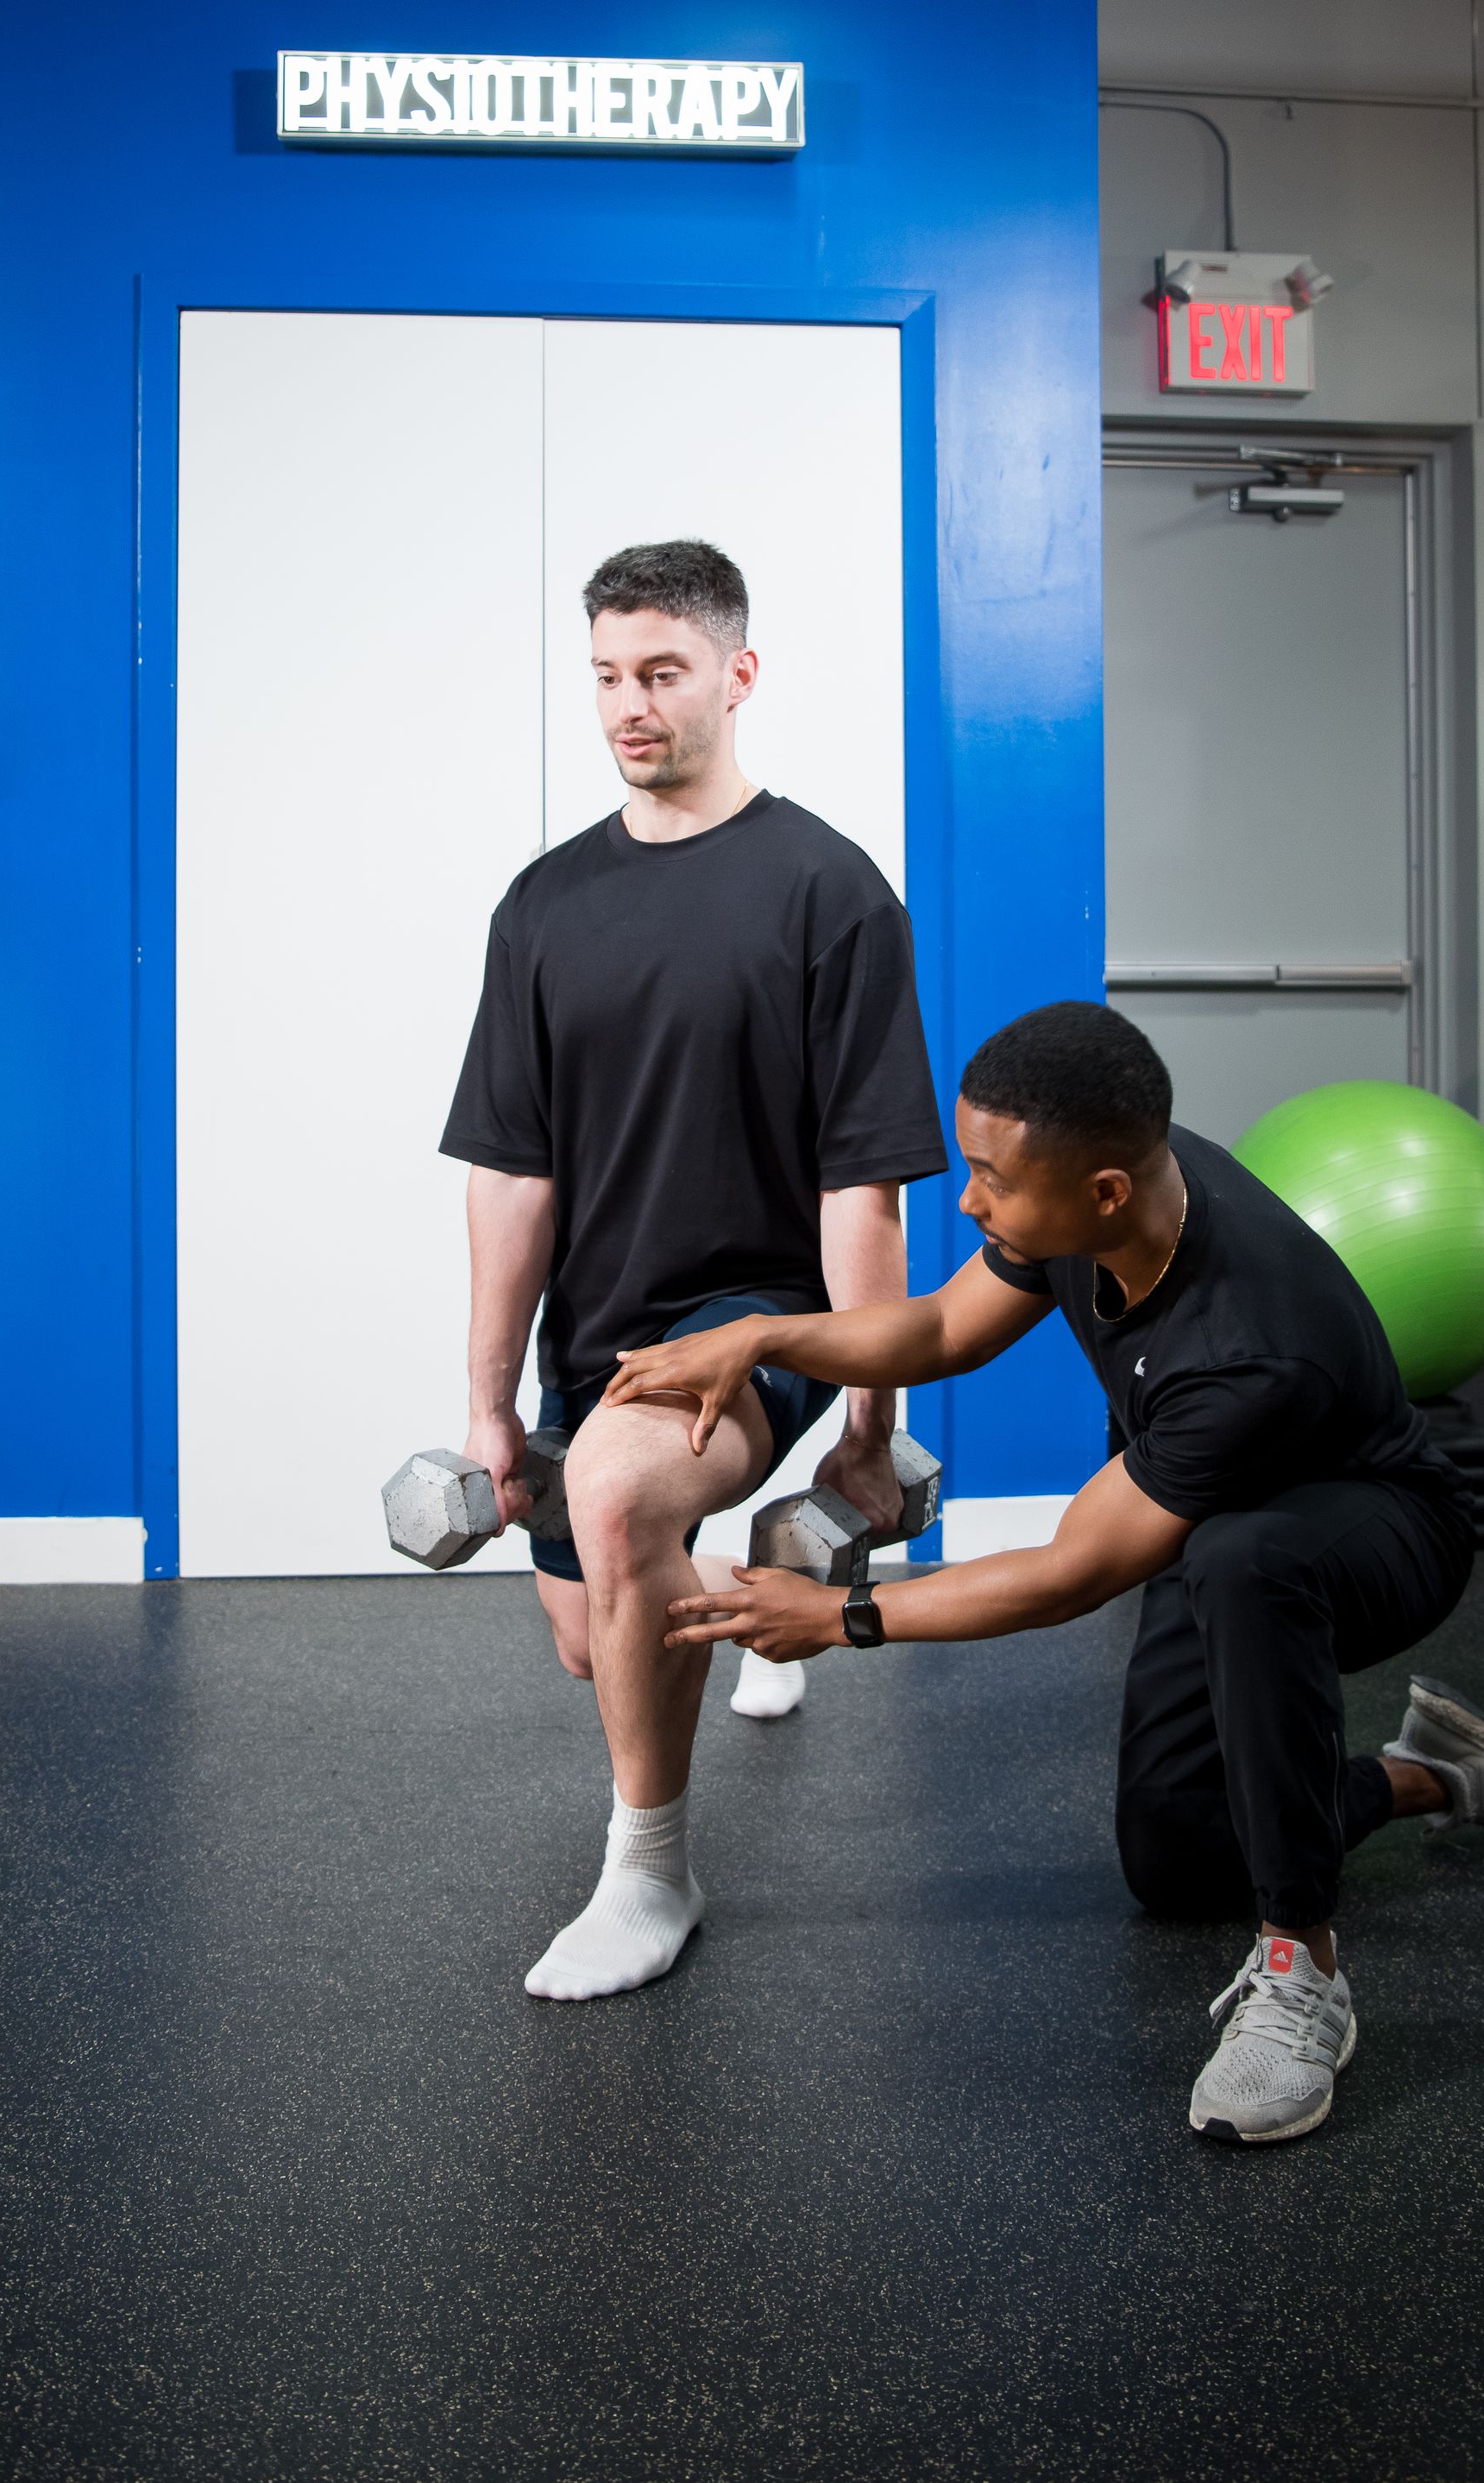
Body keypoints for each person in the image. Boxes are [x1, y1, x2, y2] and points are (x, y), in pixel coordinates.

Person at [605, 1000, 1484, 2142]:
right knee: (1175, 1854)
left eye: (987, 1176)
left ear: (1105, 1190)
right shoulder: (1088, 1201)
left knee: (1241, 1559)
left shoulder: (1246, 1342)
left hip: (1384, 1529)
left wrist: (840, 1616)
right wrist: (765, 1338)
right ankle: (1431, 1773)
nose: (969, 1199)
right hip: (1217, 1513)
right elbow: (937, 1332)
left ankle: (1304, 1967)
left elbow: (1073, 1570)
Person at [439, 539, 946, 2001]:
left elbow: (864, 1183)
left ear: (739, 671)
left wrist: (861, 1422)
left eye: (660, 672)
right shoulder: (542, 907)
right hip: (599, 1348)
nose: (628, 706)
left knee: (613, 1500)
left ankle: (651, 1872)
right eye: (606, 675)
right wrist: (488, 1407)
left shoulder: (829, 891)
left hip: (755, 1320)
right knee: (606, 1637)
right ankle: (751, 1595)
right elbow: (513, 1174)